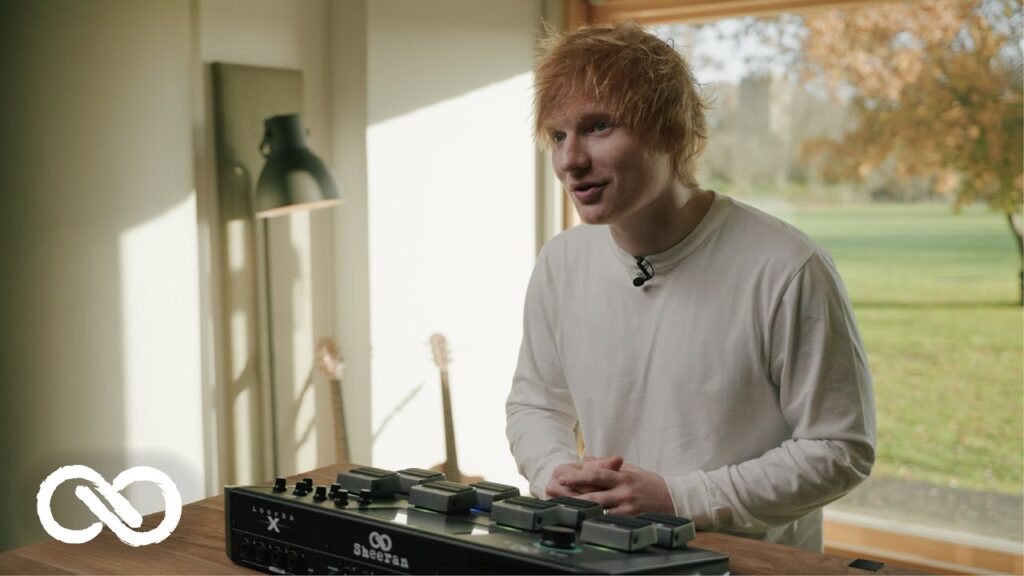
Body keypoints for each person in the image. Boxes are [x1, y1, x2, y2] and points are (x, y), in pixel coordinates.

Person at [505, 22, 876, 552]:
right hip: (604, 556)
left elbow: (840, 450)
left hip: (747, 564)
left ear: (672, 133)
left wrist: (678, 499)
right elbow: (535, 404)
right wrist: (553, 470)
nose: (570, 160)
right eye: (559, 135)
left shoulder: (789, 267)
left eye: (599, 127)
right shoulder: (560, 262)